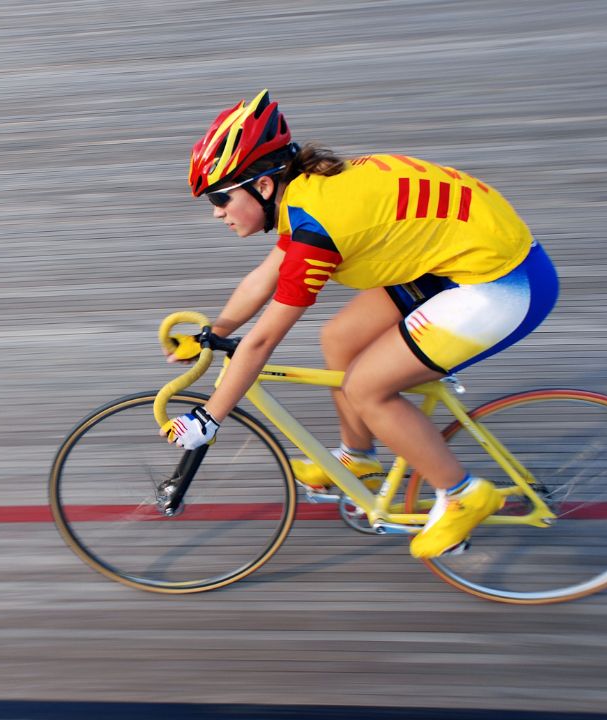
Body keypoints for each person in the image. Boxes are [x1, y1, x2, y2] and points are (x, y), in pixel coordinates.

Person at [161, 89, 559, 559]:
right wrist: (217, 332)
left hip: (501, 284)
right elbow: (263, 278)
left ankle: (463, 494)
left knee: (365, 388)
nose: (216, 212)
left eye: (220, 198)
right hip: (457, 260)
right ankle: (359, 461)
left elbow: (265, 338)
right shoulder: (308, 189)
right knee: (340, 338)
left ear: (263, 187)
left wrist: (209, 416)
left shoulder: (317, 230)